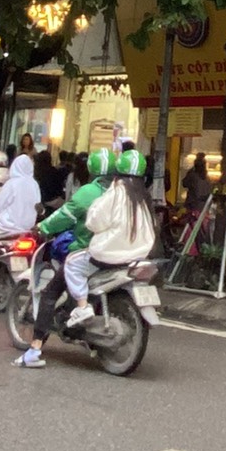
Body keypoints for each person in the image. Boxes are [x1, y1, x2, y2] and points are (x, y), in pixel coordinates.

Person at [18, 150, 156, 365]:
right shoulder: (143, 196)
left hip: (104, 253)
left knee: (53, 289)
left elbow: (77, 218)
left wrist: (42, 227)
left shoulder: (102, 192)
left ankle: (35, 348)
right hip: (135, 255)